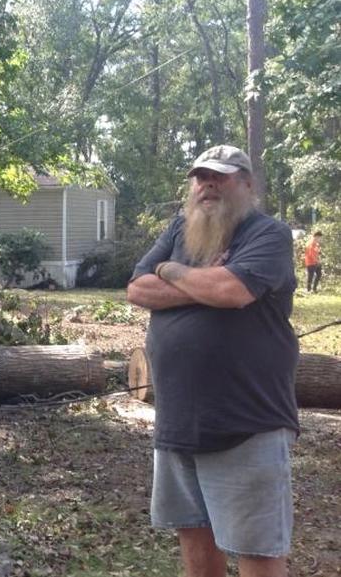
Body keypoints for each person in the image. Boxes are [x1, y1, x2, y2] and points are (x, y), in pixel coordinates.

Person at [126, 145, 298, 577]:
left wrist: (171, 272)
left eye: (220, 176)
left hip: (246, 424)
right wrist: (203, 283)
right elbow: (136, 289)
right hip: (178, 425)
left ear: (247, 184)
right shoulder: (179, 230)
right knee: (195, 546)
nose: (208, 185)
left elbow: (231, 291)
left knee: (257, 553)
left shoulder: (268, 234)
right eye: (201, 177)